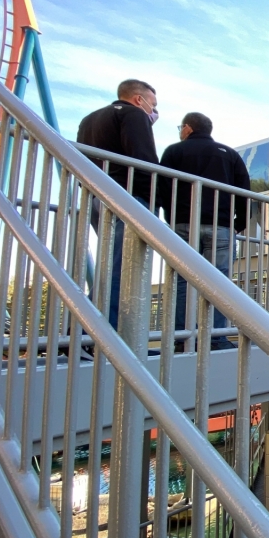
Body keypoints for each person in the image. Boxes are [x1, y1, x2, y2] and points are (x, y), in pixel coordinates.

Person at [159, 112, 251, 350]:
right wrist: (238, 223)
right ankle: (215, 337)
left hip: (183, 224)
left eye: (181, 127)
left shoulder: (174, 151)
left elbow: (162, 186)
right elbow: (244, 191)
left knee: (182, 281)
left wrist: (170, 217)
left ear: (188, 128)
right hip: (220, 226)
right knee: (219, 282)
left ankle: (183, 339)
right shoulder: (229, 154)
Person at [77, 79, 160, 329]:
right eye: (153, 104)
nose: (154, 110)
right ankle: (94, 330)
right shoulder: (134, 115)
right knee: (122, 270)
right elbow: (144, 159)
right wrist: (154, 202)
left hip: (96, 196)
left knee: (112, 265)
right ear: (138, 99)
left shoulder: (89, 120)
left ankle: (91, 329)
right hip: (127, 197)